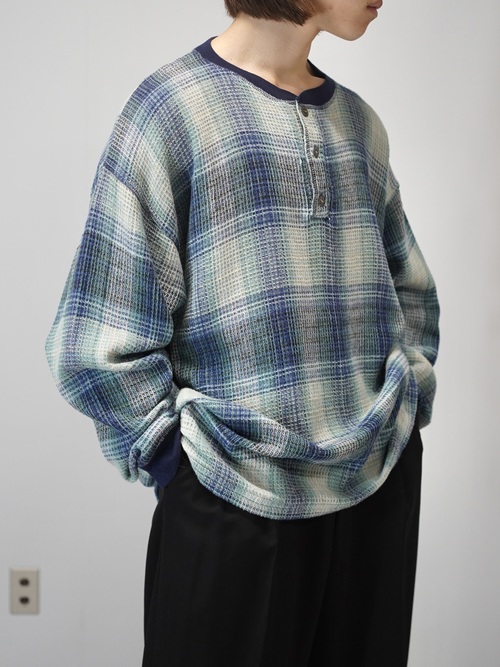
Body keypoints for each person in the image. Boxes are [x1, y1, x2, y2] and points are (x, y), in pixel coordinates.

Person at [46, 0, 440, 665]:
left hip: (375, 489)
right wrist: (178, 460)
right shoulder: (171, 110)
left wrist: (407, 401)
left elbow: (410, 289)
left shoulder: (359, 124)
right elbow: (98, 328)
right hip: (233, 494)